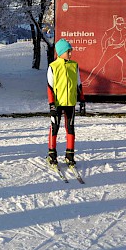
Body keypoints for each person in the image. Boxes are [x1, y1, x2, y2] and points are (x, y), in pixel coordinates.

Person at [47, 38, 86, 166]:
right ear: (60, 52)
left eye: (71, 51)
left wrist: (82, 100)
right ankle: (52, 154)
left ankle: (70, 155)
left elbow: (78, 84)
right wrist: (51, 105)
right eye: (68, 51)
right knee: (55, 127)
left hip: (70, 103)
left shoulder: (74, 65)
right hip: (57, 104)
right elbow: (50, 87)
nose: (70, 54)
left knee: (70, 128)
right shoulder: (53, 67)